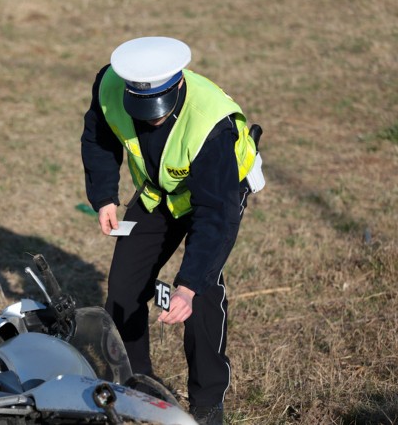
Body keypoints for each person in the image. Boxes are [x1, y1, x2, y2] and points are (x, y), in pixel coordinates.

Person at [80, 37, 262, 425]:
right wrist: (104, 197)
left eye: (157, 110)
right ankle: (138, 388)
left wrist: (188, 285)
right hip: (158, 193)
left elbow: (217, 216)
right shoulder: (110, 85)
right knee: (124, 288)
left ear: (178, 84)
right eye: (141, 109)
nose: (150, 119)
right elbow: (98, 136)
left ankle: (208, 403)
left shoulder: (212, 124)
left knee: (203, 296)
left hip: (217, 194)